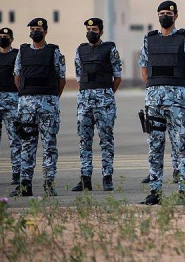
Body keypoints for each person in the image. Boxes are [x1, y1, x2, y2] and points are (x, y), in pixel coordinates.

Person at [138, 1, 185, 205]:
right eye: (161, 13)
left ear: (176, 16)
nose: (165, 16)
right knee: (154, 147)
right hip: (154, 103)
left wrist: (183, 94)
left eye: (169, 13)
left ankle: (183, 192)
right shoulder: (149, 39)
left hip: (178, 103)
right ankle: (154, 192)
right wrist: (156, 89)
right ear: (157, 15)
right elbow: (144, 69)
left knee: (182, 147)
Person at [10, 18, 66, 197]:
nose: (35, 31)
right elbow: (17, 77)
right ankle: (25, 185)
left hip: (48, 105)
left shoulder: (54, 51)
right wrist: (27, 96)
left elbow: (61, 79)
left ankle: (49, 184)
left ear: (46, 32)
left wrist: (51, 99)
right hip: (27, 106)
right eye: (32, 28)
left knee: (49, 145)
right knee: (27, 144)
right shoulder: (23, 51)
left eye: (38, 29)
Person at [71, 18, 122, 192]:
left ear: (101, 31)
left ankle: (107, 178)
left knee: (106, 140)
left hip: (104, 100)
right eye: (88, 29)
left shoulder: (110, 49)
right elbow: (79, 76)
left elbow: (118, 77)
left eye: (94, 29)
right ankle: (85, 179)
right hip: (85, 101)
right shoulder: (80, 50)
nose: (90, 32)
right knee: (84, 140)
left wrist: (106, 94)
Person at [0, 28, 21, 186]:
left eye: (6, 37)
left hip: (11, 101)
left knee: (15, 138)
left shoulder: (16, 55)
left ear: (12, 39)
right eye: (0, 36)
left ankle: (17, 173)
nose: (3, 39)